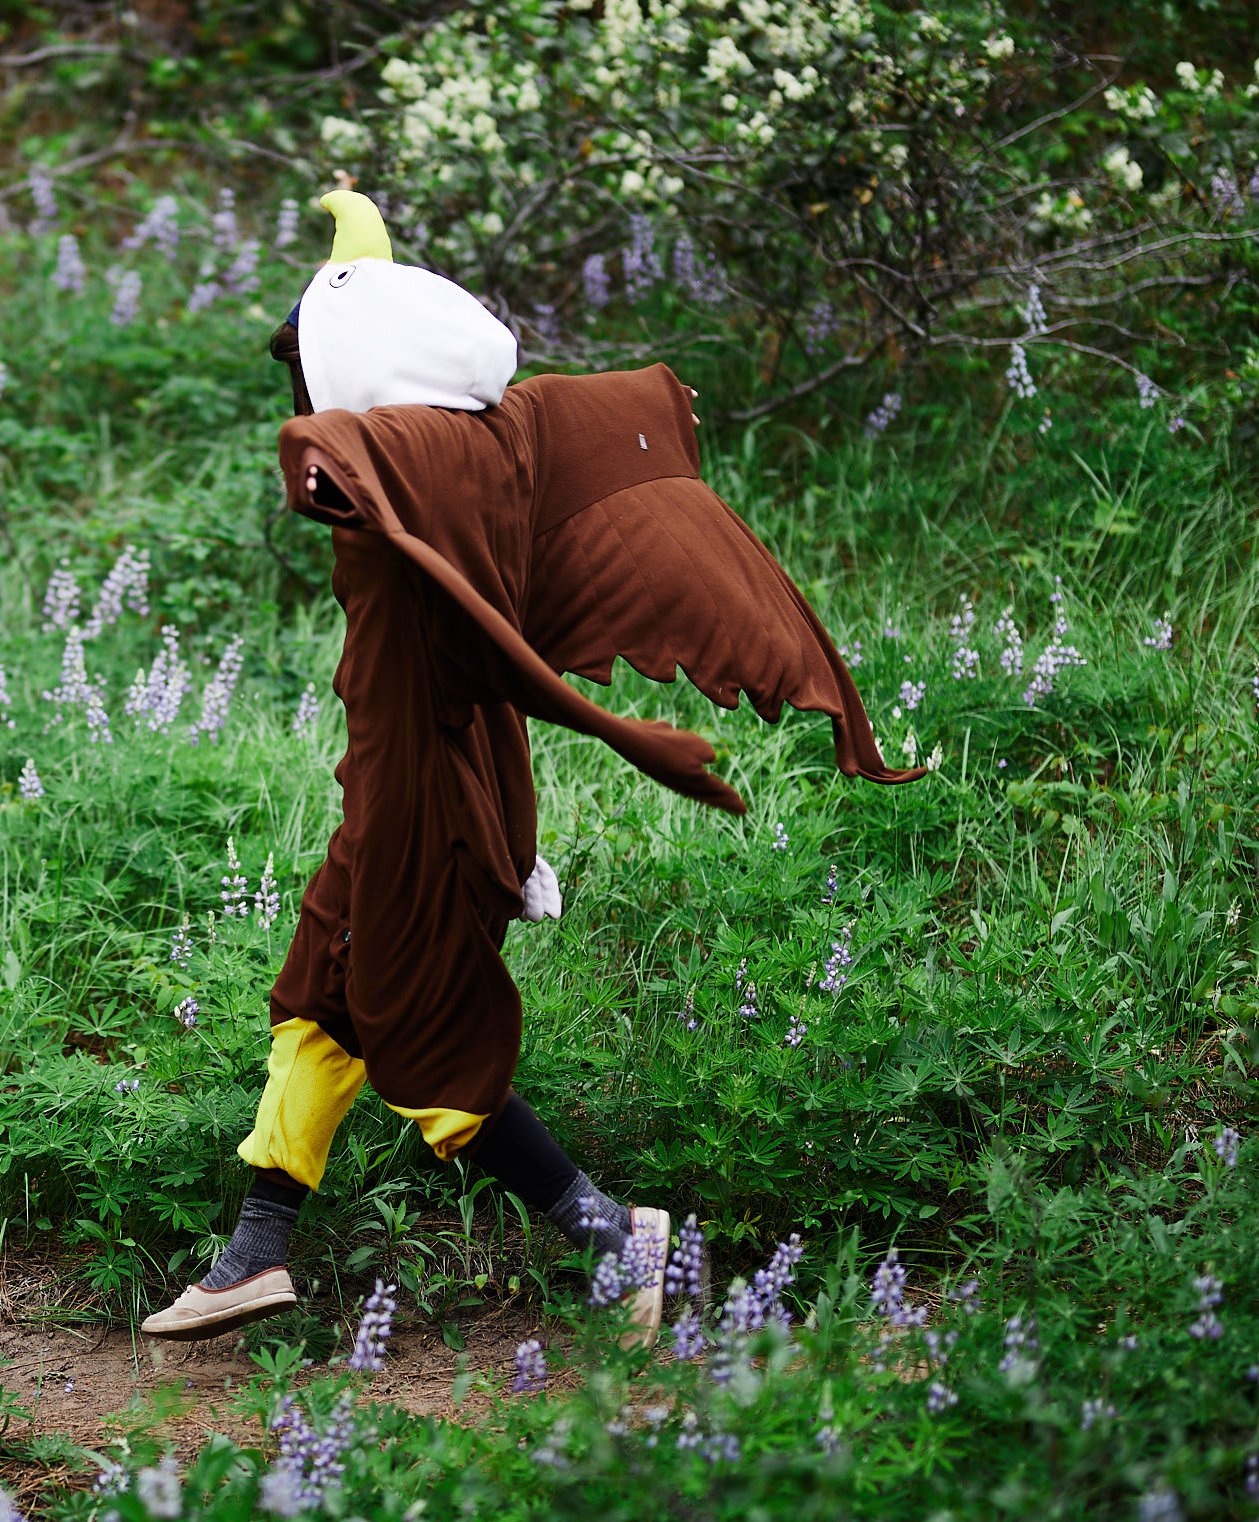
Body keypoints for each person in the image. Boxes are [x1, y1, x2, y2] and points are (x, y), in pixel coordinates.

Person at [141, 192, 923, 1345]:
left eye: (303, 371)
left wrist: (323, 449)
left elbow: (334, 443)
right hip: (394, 794)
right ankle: (254, 1255)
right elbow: (376, 368)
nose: (293, 395)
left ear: (358, 381)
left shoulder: (410, 456)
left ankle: (613, 1234)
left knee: (418, 1036)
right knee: (315, 999)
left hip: (433, 806)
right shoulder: (469, 442)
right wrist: (350, 228)